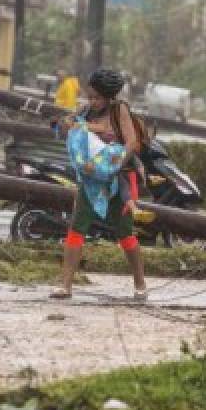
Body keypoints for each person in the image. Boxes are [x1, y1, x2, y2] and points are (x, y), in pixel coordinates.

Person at [51, 68, 149, 301]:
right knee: (76, 228)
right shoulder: (86, 111)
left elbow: (131, 142)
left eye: (97, 98)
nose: (92, 101)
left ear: (110, 97)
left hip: (118, 179)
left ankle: (140, 284)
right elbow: (72, 124)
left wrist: (112, 163)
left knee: (124, 233)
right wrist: (65, 124)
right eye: (90, 96)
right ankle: (65, 285)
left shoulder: (119, 109)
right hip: (91, 179)